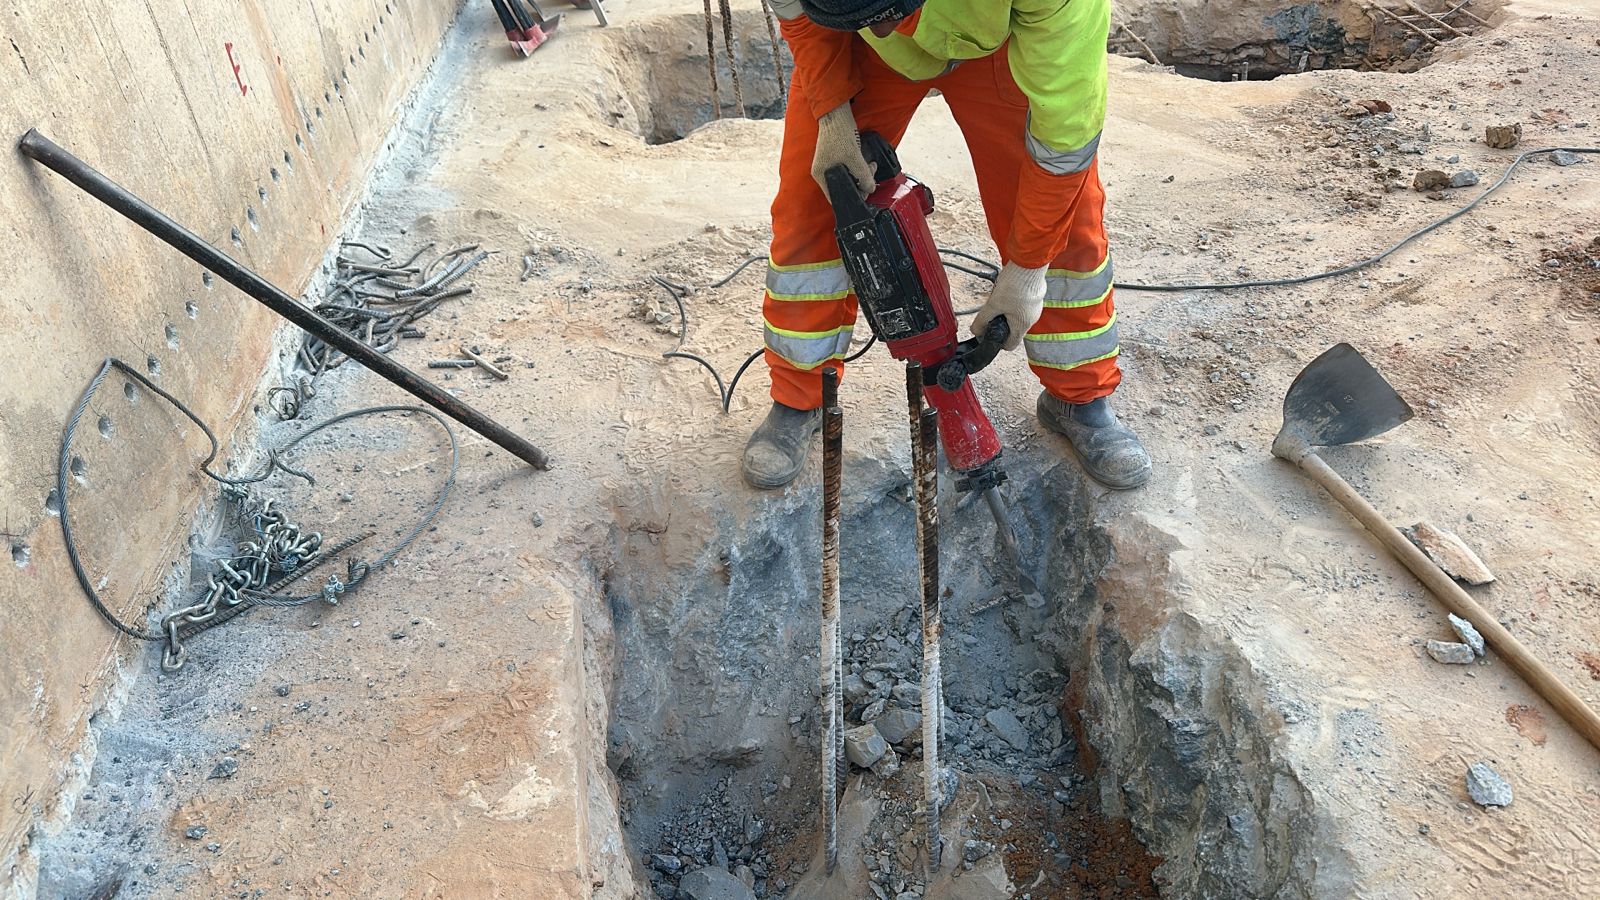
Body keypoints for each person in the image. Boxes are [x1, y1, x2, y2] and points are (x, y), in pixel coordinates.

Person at [742, 0, 1151, 492]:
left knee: (1065, 221)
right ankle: (801, 395)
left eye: (890, 15)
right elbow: (798, 14)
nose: (890, 29)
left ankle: (1078, 393)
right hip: (855, 43)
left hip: (1004, 39)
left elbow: (1064, 145)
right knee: (815, 202)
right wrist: (831, 110)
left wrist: (1027, 269)